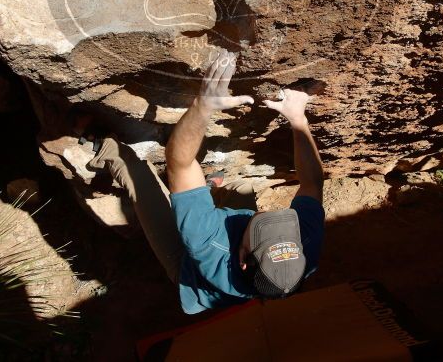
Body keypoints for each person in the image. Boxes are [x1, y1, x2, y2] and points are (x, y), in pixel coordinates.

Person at [85, 50, 325, 314]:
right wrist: (298, 118)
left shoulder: (208, 243)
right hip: (236, 254)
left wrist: (204, 105)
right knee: (240, 188)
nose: (270, 213)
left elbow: (180, 164)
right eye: (282, 225)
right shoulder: (304, 251)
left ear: (243, 259)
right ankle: (206, 195)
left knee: (139, 176)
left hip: (188, 269)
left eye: (264, 228)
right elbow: (312, 184)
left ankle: (100, 144)